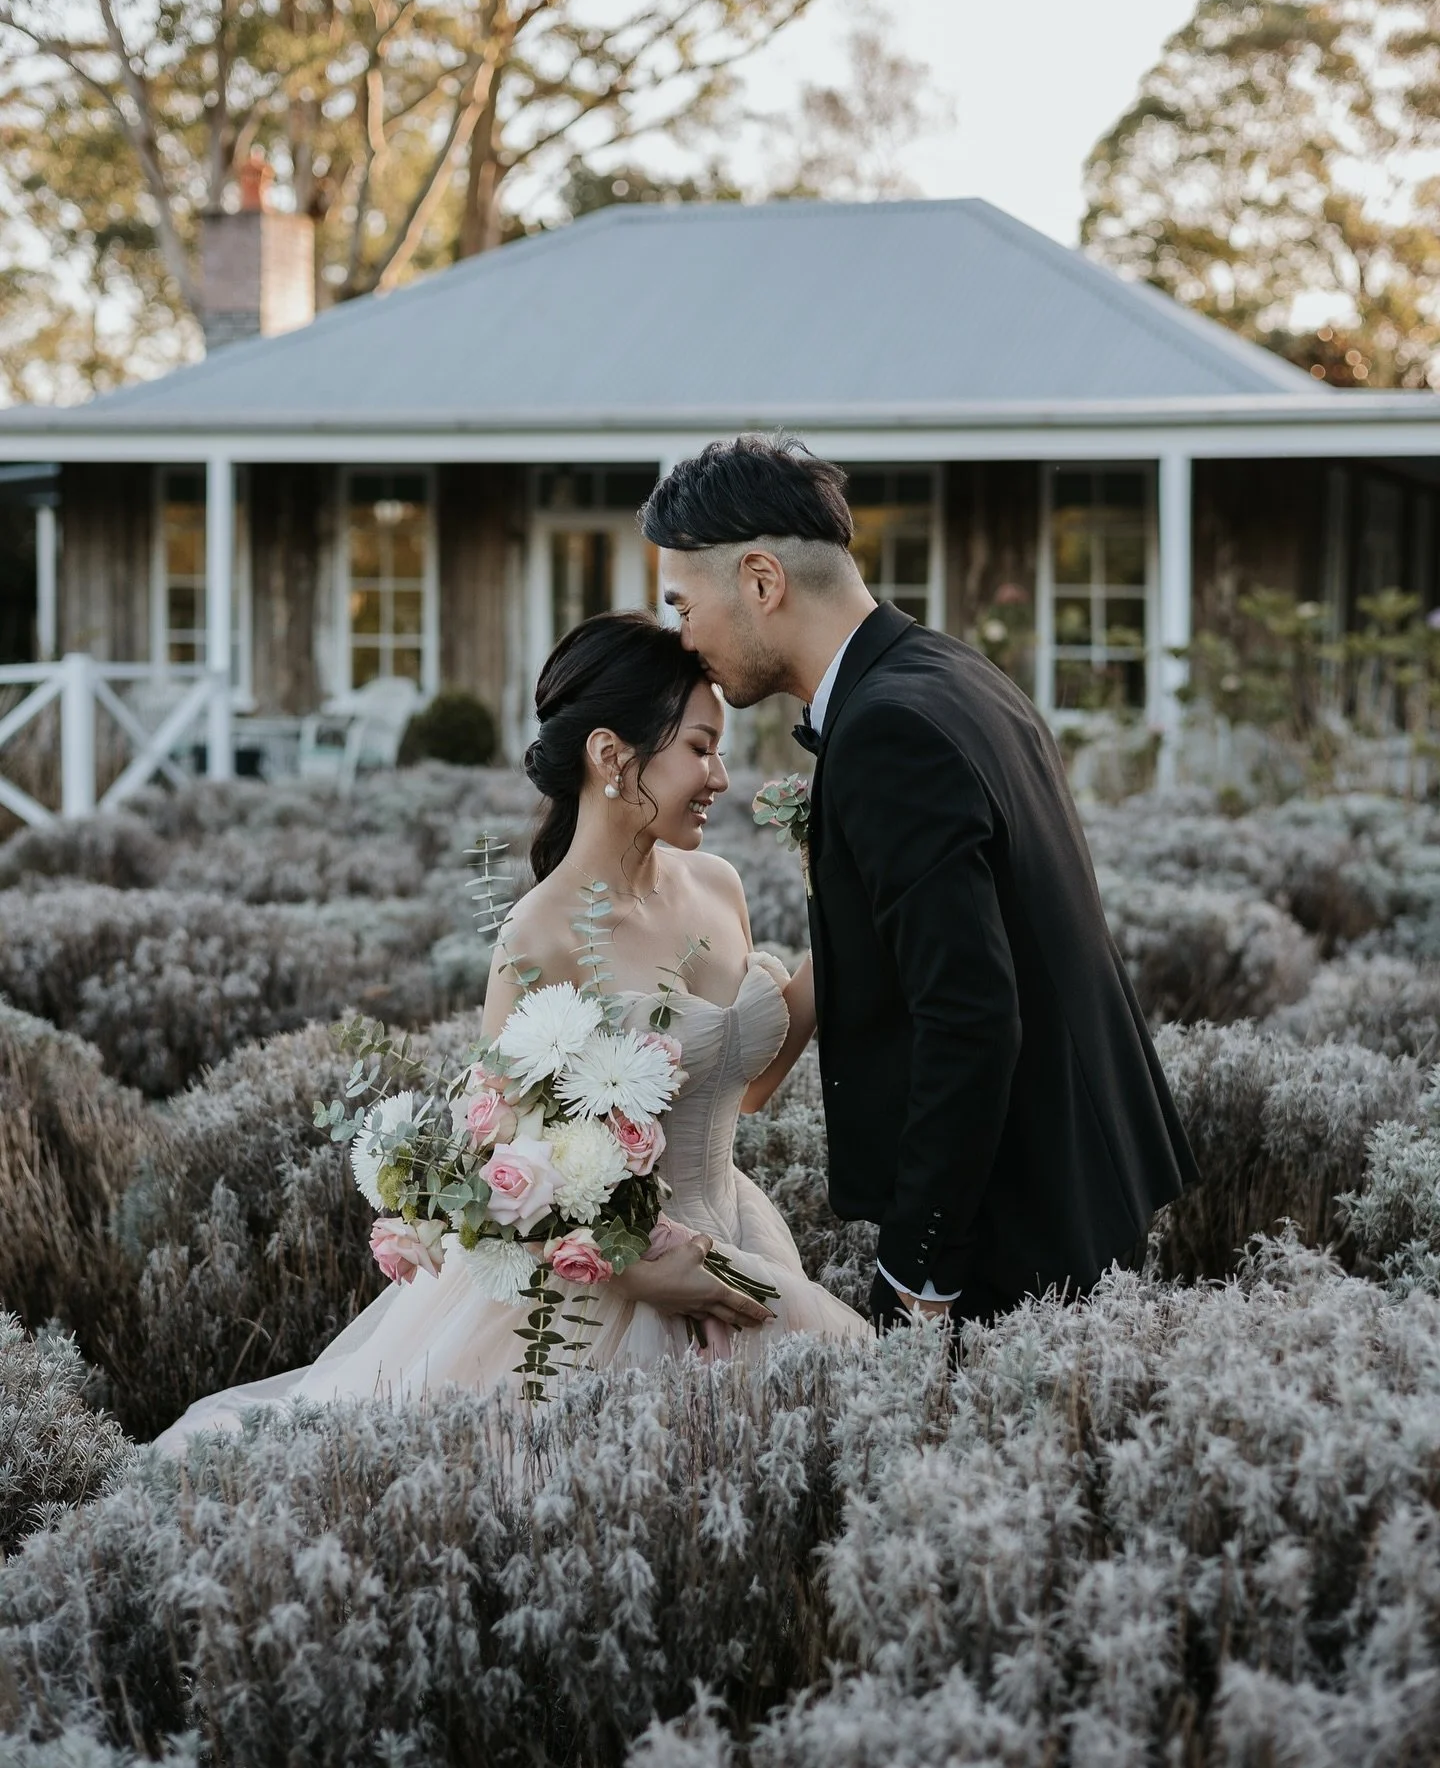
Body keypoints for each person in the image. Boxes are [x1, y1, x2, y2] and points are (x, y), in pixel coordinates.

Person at [154, 612, 869, 1453]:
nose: (720, 775)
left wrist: (843, 917)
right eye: (700, 748)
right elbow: (507, 1170)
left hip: (740, 1238)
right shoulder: (537, 938)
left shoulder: (719, 883)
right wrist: (649, 1273)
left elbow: (748, 1087)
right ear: (612, 756)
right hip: (599, 1294)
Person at [641, 434, 1198, 1333]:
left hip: (1016, 1226)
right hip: (1080, 1172)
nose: (684, 637)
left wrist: (922, 1263)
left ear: (759, 580)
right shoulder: (952, 671)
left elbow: (970, 1013)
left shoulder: (887, 729)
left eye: (682, 603)